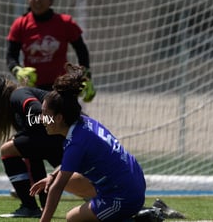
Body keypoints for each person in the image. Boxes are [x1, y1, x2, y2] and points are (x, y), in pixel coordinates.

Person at [30, 63, 147, 222]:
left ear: (59, 118)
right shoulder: (84, 122)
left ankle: (139, 219)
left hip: (123, 197)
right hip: (134, 181)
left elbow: (56, 188)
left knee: (72, 219)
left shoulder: (76, 143)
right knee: (67, 182)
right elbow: (64, 171)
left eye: (44, 114)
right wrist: (51, 176)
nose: (41, 119)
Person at [0, 77, 65, 218]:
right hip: (64, 139)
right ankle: (32, 207)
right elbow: (34, 155)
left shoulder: (18, 95)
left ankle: (29, 207)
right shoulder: (18, 111)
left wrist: (22, 135)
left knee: (8, 149)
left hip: (68, 138)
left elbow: (36, 110)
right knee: (29, 153)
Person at [6, 0, 96, 101]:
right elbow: (11, 56)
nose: (37, 0)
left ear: (51, 0)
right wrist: (18, 70)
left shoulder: (65, 23)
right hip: (32, 89)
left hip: (61, 89)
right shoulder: (20, 24)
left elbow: (82, 51)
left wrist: (86, 78)